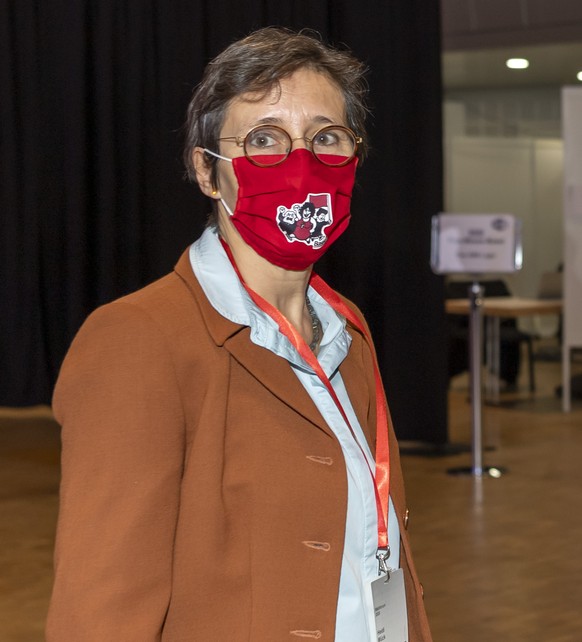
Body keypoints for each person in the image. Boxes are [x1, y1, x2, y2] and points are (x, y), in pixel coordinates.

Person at [46, 27, 432, 642]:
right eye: (264, 140)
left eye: (326, 137)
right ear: (207, 171)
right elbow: (101, 610)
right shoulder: (138, 339)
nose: (301, 163)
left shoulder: (347, 329)